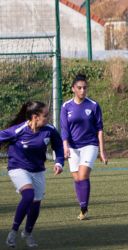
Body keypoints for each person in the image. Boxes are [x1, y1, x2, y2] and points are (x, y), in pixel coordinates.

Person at [3, 101, 64, 248]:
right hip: (17, 167)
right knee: (28, 195)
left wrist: (59, 162)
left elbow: (58, 146)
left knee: (36, 204)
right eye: (45, 115)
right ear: (35, 117)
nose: (48, 118)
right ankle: (13, 232)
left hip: (37, 170)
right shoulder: (18, 130)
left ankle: (28, 233)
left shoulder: (49, 130)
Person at [60, 73, 107, 221]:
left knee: (82, 176)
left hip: (90, 145)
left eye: (85, 88)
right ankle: (82, 205)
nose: (82, 91)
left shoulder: (93, 105)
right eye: (79, 88)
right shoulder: (66, 106)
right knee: (77, 179)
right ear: (73, 89)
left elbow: (99, 129)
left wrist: (102, 151)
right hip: (73, 147)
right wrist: (65, 146)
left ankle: (84, 207)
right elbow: (64, 129)